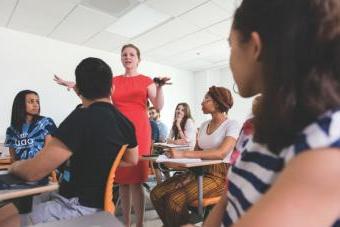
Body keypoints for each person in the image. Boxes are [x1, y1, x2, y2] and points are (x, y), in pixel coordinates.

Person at [201, 0, 340, 226]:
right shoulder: (252, 127)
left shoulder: (328, 144)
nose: (230, 59)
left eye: (231, 46)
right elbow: (228, 198)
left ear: (255, 47)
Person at [0, 57, 139, 227]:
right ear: (112, 88)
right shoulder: (125, 123)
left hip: (75, 205)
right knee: (6, 212)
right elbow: (132, 159)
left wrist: (15, 166)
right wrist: (98, 162)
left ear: (78, 89)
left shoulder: (81, 117)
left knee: (5, 220)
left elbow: (33, 173)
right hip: (81, 200)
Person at [54, 43, 170, 227]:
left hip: (139, 131)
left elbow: (158, 105)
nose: (128, 57)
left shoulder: (146, 80)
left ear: (138, 59)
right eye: (124, 54)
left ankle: (138, 223)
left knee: (137, 181)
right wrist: (77, 86)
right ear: (121, 58)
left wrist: (160, 87)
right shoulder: (113, 80)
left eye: (132, 54)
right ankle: (126, 223)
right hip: (117, 130)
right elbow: (95, 93)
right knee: (123, 181)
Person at [150, 86, 240, 227]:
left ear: (217, 103)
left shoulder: (232, 125)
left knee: (174, 200)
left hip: (219, 176)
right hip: (197, 171)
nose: (202, 102)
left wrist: (183, 154)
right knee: (156, 193)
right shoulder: (204, 125)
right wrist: (175, 160)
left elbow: (221, 152)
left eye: (206, 99)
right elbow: (197, 152)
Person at [4, 90, 57, 161]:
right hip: (22, 169)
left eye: (37, 102)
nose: (35, 105)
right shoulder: (11, 130)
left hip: (44, 168)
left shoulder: (45, 122)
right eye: (31, 102)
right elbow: (13, 158)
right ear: (21, 104)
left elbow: (49, 151)